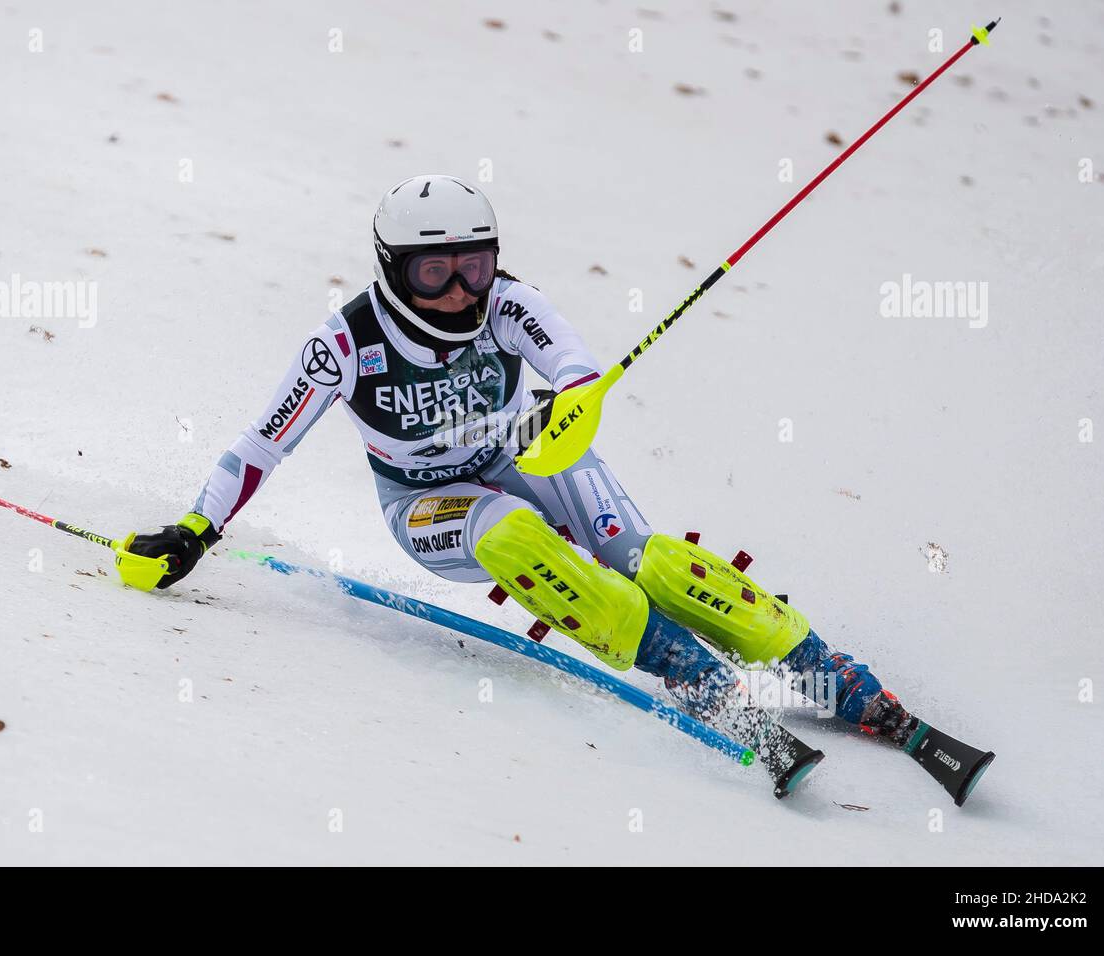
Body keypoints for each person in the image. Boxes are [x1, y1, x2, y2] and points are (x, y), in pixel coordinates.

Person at [127, 174, 990, 800]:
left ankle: (821, 669)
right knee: (512, 537)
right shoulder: (347, 343)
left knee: (648, 561)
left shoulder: (506, 301)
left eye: (476, 263)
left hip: (521, 453)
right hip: (427, 505)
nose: (463, 290)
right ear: (394, 269)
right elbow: (260, 444)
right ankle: (696, 678)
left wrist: (563, 409)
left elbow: (573, 365)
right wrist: (197, 528)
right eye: (437, 272)